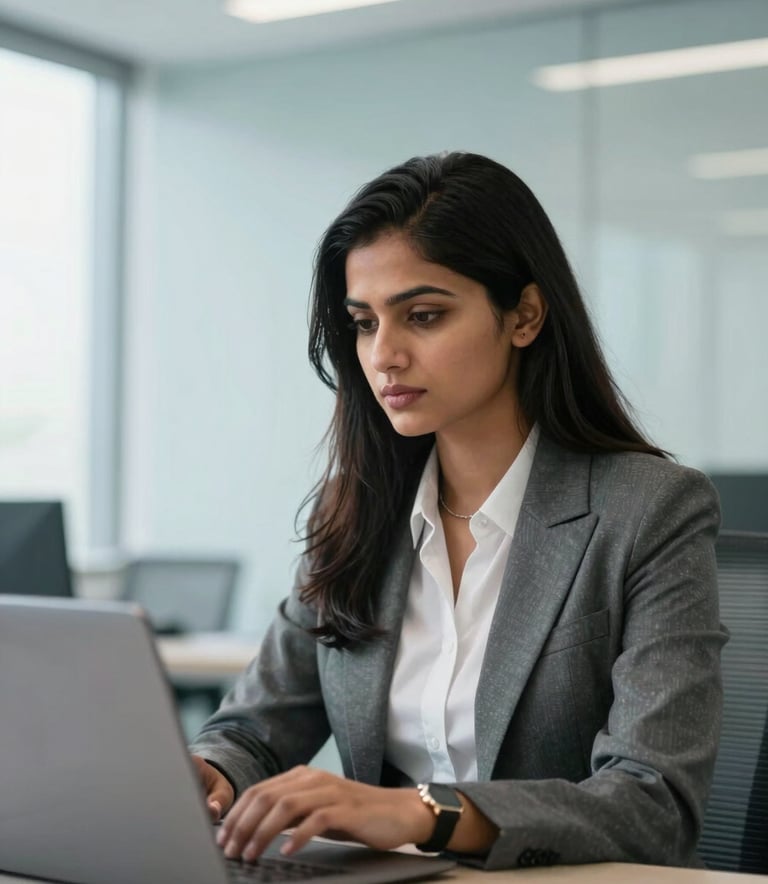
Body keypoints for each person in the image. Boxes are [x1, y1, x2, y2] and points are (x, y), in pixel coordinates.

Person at [189, 151, 727, 870]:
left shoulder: (650, 512)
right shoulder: (356, 515)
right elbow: (253, 731)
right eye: (363, 323)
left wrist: (420, 813)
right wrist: (211, 777)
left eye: (424, 316)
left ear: (525, 316)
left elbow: (652, 802)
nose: (384, 355)